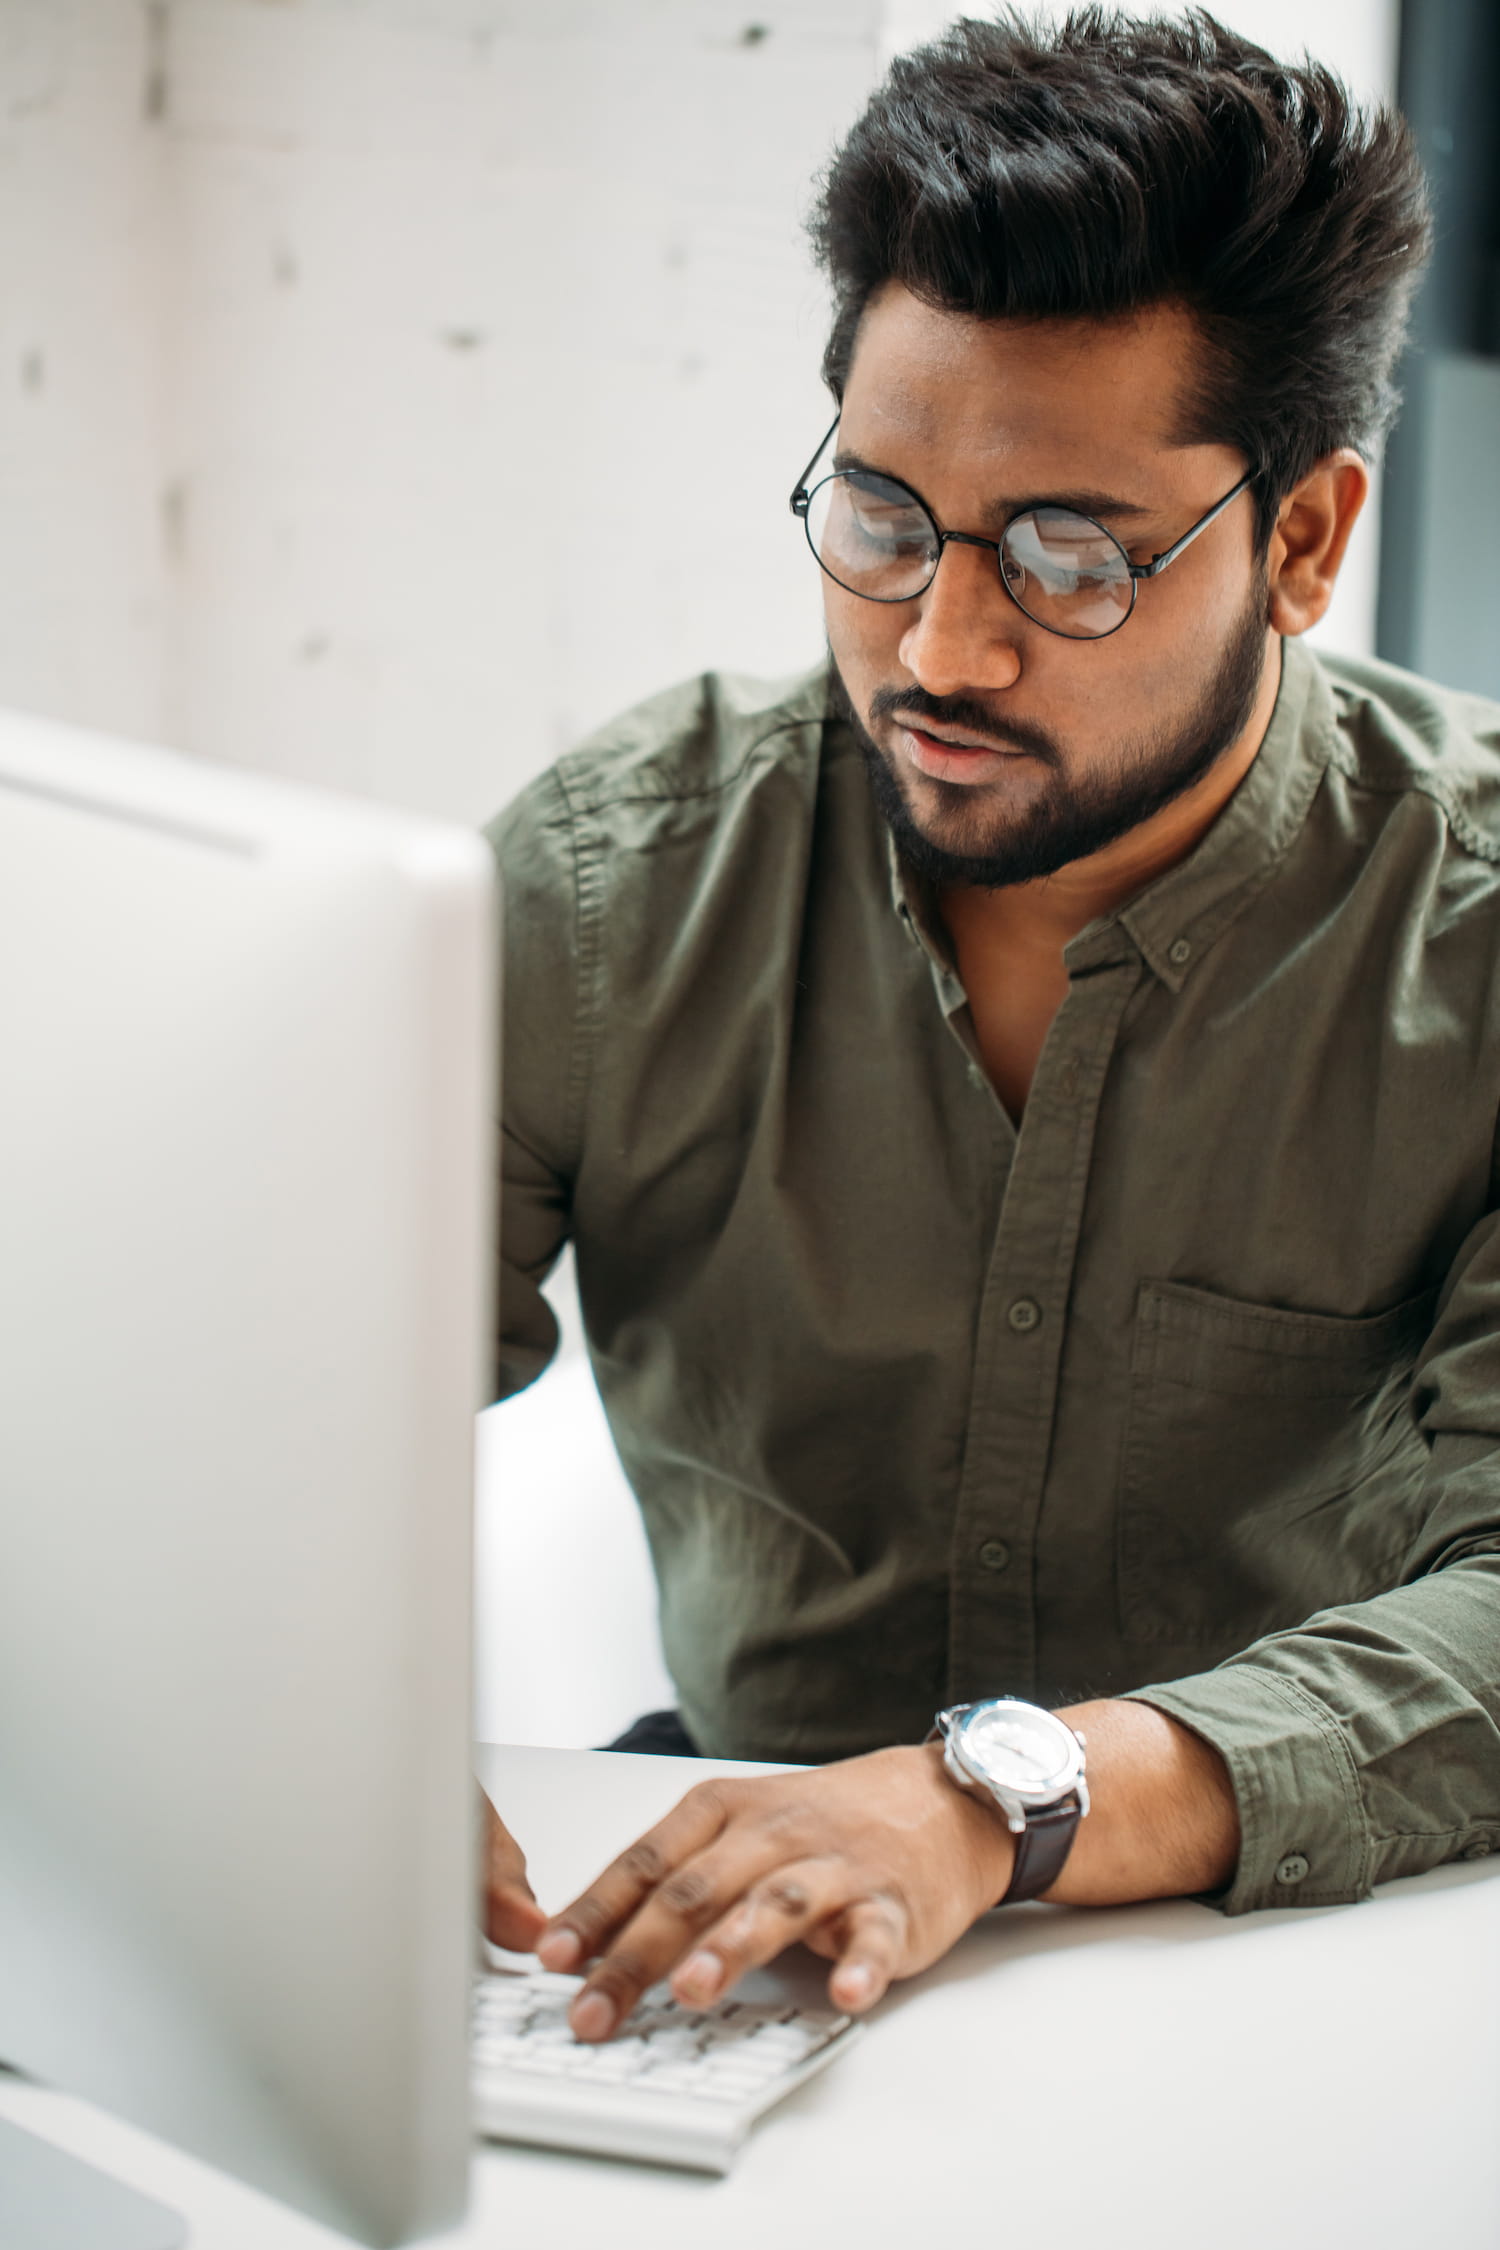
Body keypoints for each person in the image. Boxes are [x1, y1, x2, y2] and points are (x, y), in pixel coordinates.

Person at [481, 11, 1500, 2048]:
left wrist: (987, 1806)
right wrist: (307, 1736)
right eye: (879, 520)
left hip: (1316, 1965)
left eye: (1072, 559)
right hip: (737, 1959)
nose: (939, 650)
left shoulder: (1470, 948)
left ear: (1301, 543)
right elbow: (267, 1413)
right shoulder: (618, 886)